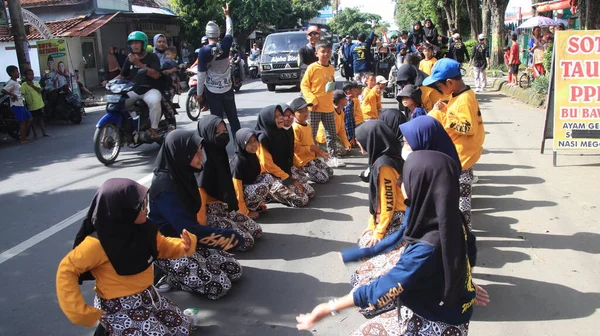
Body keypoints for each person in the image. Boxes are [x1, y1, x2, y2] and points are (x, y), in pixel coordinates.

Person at [298, 151, 488, 336]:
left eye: (405, 178)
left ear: (421, 186)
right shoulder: (451, 217)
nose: (400, 183)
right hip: (445, 308)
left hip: (431, 322)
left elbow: (386, 288)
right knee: (365, 288)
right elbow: (467, 250)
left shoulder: (427, 247)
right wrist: (465, 284)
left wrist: (326, 308)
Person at [56, 178, 198, 335]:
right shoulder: (97, 243)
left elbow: (163, 246)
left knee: (184, 330)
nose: (146, 208)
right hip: (119, 307)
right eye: (141, 205)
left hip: (148, 295)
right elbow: (66, 270)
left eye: (145, 202)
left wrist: (183, 245)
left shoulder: (144, 228)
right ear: (123, 210)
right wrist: (78, 311)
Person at [148, 130, 243, 298]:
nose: (201, 156)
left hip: (190, 239)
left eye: (201, 150)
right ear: (182, 154)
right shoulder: (163, 188)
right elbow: (187, 227)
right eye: (196, 152)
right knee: (219, 286)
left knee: (234, 270)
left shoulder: (183, 173)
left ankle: (193, 267)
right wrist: (225, 237)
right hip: (170, 246)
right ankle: (169, 274)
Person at [424, 58, 485, 230]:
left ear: (450, 82)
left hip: (461, 158)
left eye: (439, 85)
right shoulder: (457, 95)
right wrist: (444, 108)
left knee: (461, 204)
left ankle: (465, 237)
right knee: (455, 200)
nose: (438, 89)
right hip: (459, 156)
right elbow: (457, 115)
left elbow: (467, 127)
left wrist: (440, 116)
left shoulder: (464, 99)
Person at [196, 116, 262, 252]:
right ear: (207, 134)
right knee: (246, 241)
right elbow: (200, 200)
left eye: (224, 131)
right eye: (217, 133)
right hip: (209, 213)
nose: (223, 135)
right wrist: (201, 230)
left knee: (256, 231)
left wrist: (235, 209)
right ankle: (210, 243)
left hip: (223, 207)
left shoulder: (219, 152)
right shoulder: (203, 162)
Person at [255, 105, 314, 207]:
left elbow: (288, 153)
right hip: (268, 177)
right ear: (267, 119)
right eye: (275, 116)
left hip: (282, 172)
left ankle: (282, 190)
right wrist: (288, 178)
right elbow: (267, 165)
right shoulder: (262, 139)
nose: (280, 118)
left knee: (309, 191)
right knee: (302, 200)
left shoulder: (282, 131)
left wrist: (295, 168)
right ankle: (270, 194)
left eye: (280, 115)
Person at [196, 4, 241, 136]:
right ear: (217, 33)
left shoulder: (203, 52)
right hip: (227, 88)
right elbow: (230, 31)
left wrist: (199, 94)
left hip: (212, 91)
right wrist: (227, 16)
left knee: (216, 121)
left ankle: (219, 148)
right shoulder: (226, 44)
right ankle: (240, 144)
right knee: (233, 119)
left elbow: (201, 75)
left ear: (207, 34)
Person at [301, 40, 346, 168]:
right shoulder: (312, 68)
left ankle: (332, 157)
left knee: (331, 134)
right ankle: (312, 159)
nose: (326, 54)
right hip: (314, 108)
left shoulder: (331, 68)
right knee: (311, 135)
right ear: (316, 53)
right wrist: (312, 99)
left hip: (328, 107)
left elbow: (330, 86)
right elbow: (304, 85)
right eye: (323, 52)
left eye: (328, 51)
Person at [114, 31, 162, 140]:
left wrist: (138, 63)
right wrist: (109, 82)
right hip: (134, 90)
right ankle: (129, 127)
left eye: (137, 43)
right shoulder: (129, 58)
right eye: (132, 43)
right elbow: (122, 76)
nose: (134, 45)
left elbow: (156, 75)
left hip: (150, 90)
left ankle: (154, 130)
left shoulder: (152, 57)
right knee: (119, 103)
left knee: (154, 102)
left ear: (143, 44)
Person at [230, 128, 272, 219]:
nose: (254, 144)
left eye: (255, 140)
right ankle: (246, 211)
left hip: (248, 190)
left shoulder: (253, 155)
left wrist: (260, 202)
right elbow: (237, 190)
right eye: (249, 142)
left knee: (268, 177)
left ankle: (254, 206)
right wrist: (245, 212)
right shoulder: (238, 162)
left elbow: (256, 177)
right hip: (239, 196)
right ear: (242, 143)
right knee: (262, 187)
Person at [291, 97, 334, 184]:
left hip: (311, 157)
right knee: (323, 178)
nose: (305, 113)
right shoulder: (295, 128)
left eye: (306, 110)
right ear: (293, 114)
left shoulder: (308, 125)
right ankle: (304, 174)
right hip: (303, 161)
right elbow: (296, 148)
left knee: (330, 172)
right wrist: (310, 148)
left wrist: (320, 153)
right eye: (300, 111)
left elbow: (311, 143)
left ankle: (313, 172)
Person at [316, 90, 352, 157]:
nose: (347, 100)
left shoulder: (341, 112)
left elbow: (342, 129)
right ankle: (320, 147)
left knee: (348, 147)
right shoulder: (331, 112)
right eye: (345, 99)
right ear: (341, 101)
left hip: (334, 135)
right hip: (324, 138)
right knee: (342, 151)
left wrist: (346, 142)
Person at [2, 66, 32, 144]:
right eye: (16, 71)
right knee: (22, 122)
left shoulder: (16, 82)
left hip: (21, 104)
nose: (18, 73)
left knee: (29, 118)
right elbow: (3, 90)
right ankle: (23, 139)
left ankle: (24, 136)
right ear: (12, 73)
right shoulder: (11, 82)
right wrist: (12, 94)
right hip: (16, 105)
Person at [20, 69, 49, 138]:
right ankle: (35, 133)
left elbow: (39, 90)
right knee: (33, 120)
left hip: (39, 104)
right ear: (25, 76)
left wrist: (32, 85)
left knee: (41, 119)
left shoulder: (35, 83)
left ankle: (44, 132)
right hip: (31, 105)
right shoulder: (24, 85)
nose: (31, 76)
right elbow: (22, 93)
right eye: (29, 75)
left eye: (32, 74)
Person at [341, 82, 363, 146]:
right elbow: (348, 122)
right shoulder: (348, 103)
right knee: (344, 151)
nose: (356, 92)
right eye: (354, 90)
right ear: (348, 92)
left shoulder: (351, 101)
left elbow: (352, 120)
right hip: (341, 130)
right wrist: (351, 138)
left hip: (345, 129)